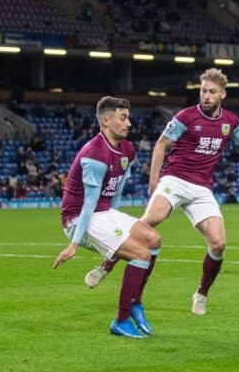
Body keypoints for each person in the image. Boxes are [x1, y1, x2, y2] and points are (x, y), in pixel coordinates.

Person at [85, 68, 239, 316]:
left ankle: (201, 294)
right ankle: (107, 264)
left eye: (211, 92)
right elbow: (161, 144)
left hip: (202, 188)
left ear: (222, 94)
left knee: (219, 243)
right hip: (175, 179)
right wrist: (154, 181)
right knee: (149, 222)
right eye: (203, 90)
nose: (205, 96)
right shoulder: (186, 116)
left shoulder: (231, 122)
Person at [53, 96, 161, 338]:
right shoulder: (94, 154)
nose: (129, 123)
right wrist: (74, 244)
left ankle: (135, 302)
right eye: (123, 118)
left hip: (104, 212)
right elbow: (89, 202)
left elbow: (116, 191)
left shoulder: (128, 150)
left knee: (153, 239)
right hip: (78, 217)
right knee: (141, 254)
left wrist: (117, 223)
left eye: (128, 117)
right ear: (105, 120)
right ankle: (121, 321)